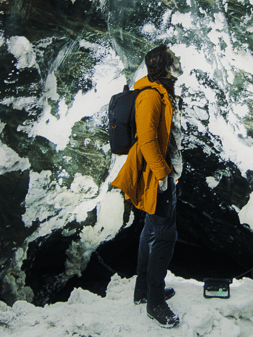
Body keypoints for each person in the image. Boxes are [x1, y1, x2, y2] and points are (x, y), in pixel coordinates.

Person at [112, 44, 184, 328]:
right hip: (157, 177)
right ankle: (155, 302)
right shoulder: (151, 97)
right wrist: (163, 174)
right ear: (165, 66)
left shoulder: (160, 91)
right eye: (173, 61)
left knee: (151, 231)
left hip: (160, 174)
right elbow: (147, 140)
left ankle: (143, 290)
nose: (177, 64)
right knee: (165, 235)